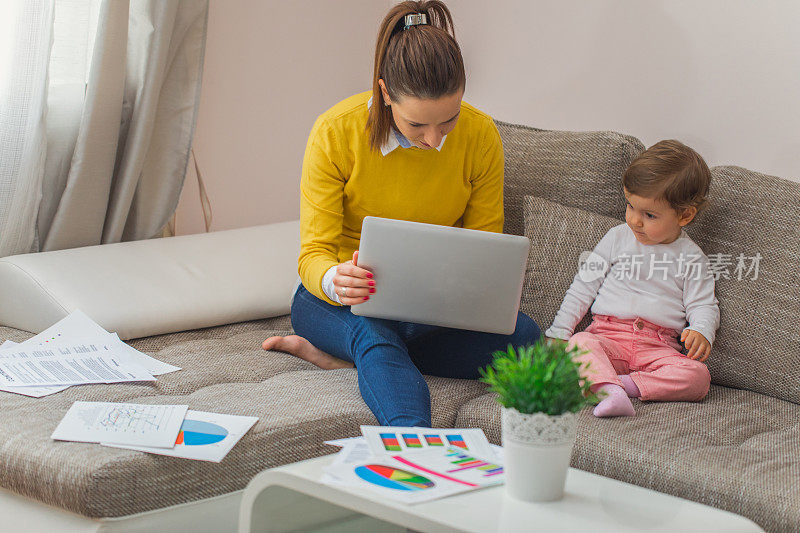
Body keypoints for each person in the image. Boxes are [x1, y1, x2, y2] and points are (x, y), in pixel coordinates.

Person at [262, 1, 541, 428]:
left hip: (429, 312)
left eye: (448, 121)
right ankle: (415, 447)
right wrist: (337, 280)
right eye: (417, 126)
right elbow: (313, 255)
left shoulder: (482, 135)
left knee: (524, 339)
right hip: (339, 304)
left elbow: (485, 250)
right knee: (373, 331)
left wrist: (470, 294)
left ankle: (356, 359)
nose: (435, 140)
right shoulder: (336, 132)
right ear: (386, 93)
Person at [546, 140, 720, 418]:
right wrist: (558, 333)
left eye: (649, 215)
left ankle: (616, 387)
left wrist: (701, 330)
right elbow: (583, 288)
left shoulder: (692, 257)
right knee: (580, 343)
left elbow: (704, 304)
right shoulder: (617, 238)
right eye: (630, 206)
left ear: (685, 215)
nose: (634, 221)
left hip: (658, 347)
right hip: (607, 338)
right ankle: (608, 387)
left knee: (698, 377)